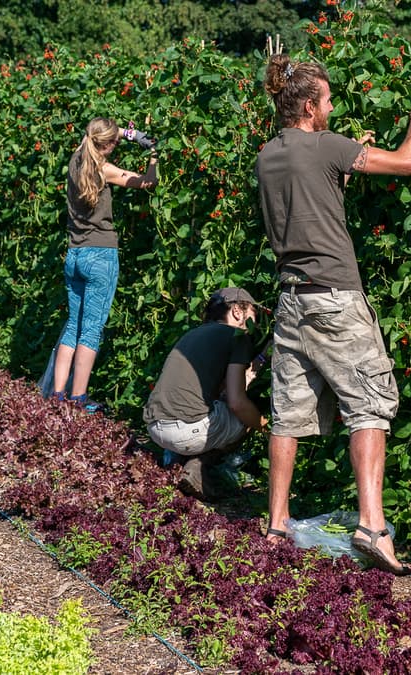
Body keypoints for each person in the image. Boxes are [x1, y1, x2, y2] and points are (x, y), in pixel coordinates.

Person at [254, 53, 411, 575]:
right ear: (310, 106)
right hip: (336, 297)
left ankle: (275, 524)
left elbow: (307, 194)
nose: (333, 108)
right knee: (370, 404)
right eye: (329, 100)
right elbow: (408, 163)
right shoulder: (325, 146)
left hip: (291, 300)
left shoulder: (268, 155)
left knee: (287, 413)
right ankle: (372, 527)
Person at [39, 118, 158, 409]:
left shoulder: (75, 162)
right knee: (91, 329)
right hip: (100, 255)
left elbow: (100, 133)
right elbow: (147, 181)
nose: (117, 144)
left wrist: (127, 133)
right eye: (115, 141)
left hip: (75, 255)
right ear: (106, 144)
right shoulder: (105, 170)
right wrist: (153, 151)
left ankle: (57, 395)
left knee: (73, 325)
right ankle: (78, 398)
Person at [144, 287, 268, 500]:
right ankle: (197, 468)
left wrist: (260, 362)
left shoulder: (194, 334)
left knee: (214, 405)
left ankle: (176, 460)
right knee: (248, 413)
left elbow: (223, 388)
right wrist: (267, 427)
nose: (255, 325)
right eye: (253, 316)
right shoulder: (238, 337)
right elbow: (237, 402)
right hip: (185, 431)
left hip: (155, 427)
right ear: (238, 312)